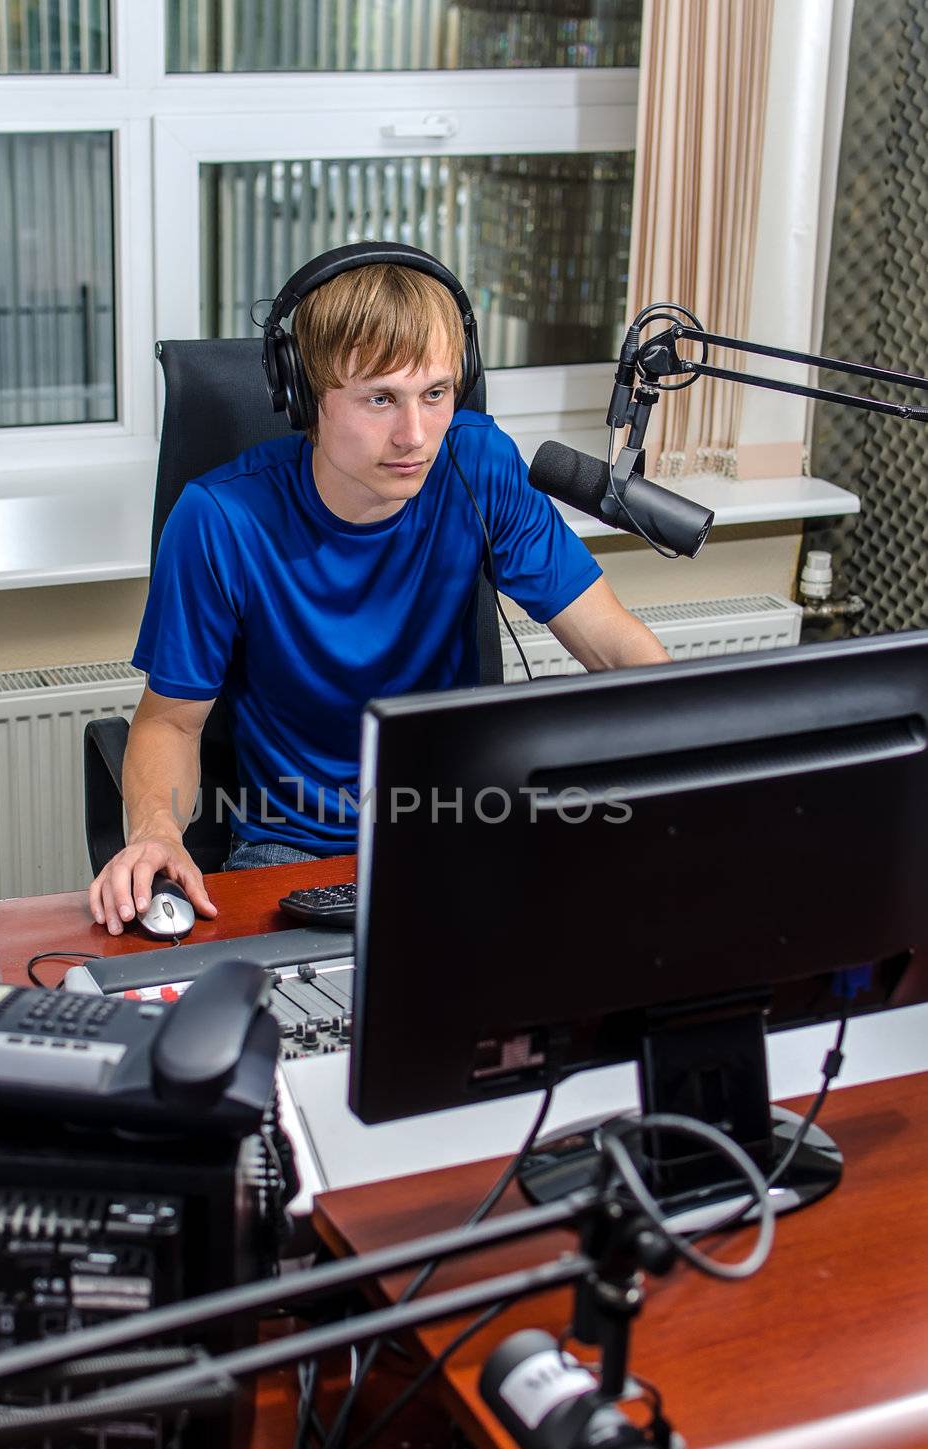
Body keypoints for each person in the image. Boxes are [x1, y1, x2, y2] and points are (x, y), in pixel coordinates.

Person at [89, 244, 668, 936]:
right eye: (380, 400)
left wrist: (708, 758)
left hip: (462, 833)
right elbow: (170, 721)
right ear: (308, 396)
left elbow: (609, 642)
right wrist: (156, 832)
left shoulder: (479, 464)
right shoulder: (220, 520)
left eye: (435, 393)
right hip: (289, 848)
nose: (414, 435)